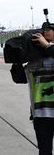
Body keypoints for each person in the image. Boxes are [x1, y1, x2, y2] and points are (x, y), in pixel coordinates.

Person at [25, 23, 54, 155]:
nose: (45, 32)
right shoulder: (33, 59)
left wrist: (47, 46)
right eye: (43, 30)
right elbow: (19, 77)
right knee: (44, 151)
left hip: (42, 113)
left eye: (49, 30)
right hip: (40, 114)